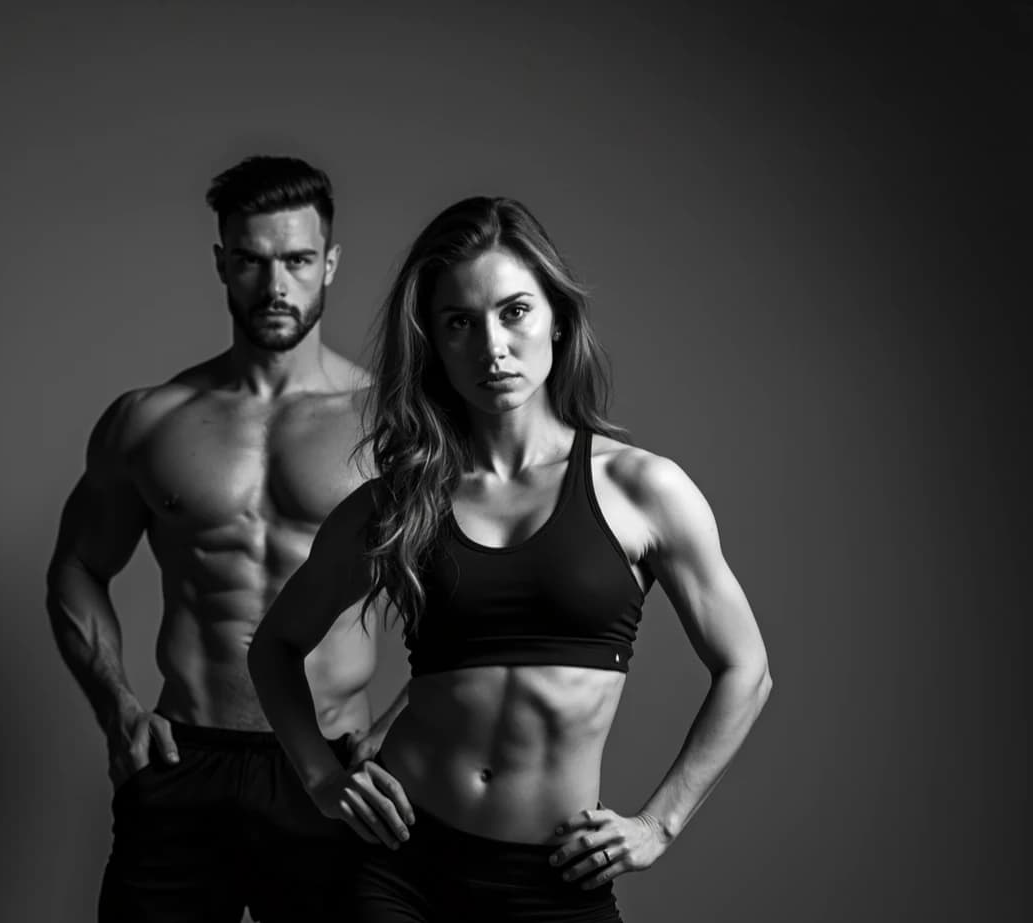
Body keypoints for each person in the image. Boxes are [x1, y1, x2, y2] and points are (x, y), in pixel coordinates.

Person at [249, 196, 772, 921]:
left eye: (514, 311)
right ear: (434, 343)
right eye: (459, 322)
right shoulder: (398, 501)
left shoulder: (643, 489)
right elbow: (276, 644)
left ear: (556, 315)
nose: (491, 346)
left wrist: (659, 823)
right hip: (401, 864)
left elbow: (747, 670)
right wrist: (319, 777)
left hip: (553, 879)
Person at [46, 155, 407, 923]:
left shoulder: (393, 429)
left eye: (298, 261)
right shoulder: (152, 419)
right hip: (184, 760)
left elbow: (481, 604)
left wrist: (399, 727)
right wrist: (117, 709)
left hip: (334, 765)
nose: (276, 286)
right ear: (222, 263)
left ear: (331, 264)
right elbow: (78, 565)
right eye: (251, 260)